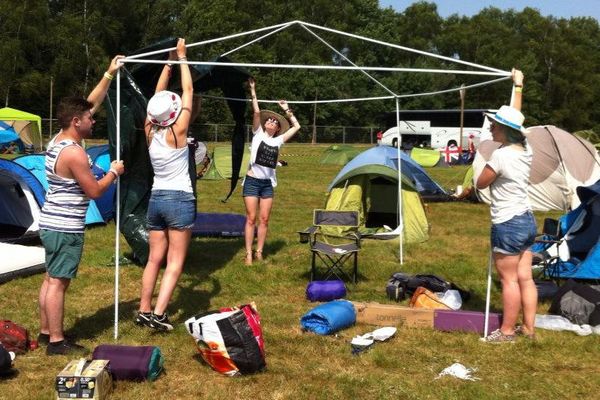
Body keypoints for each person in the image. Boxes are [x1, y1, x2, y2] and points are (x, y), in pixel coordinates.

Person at [38, 55, 126, 355]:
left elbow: (90, 103)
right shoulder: (74, 153)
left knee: (51, 278)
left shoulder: (59, 139)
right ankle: (57, 342)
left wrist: (108, 74)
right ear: (77, 122)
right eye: (90, 119)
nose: (94, 119)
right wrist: (114, 172)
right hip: (64, 227)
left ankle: (45, 332)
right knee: (59, 283)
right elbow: (95, 191)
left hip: (51, 222)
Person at [135, 38, 194, 332]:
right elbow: (189, 91)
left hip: (156, 199)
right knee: (174, 261)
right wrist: (183, 58)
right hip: (180, 199)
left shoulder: (150, 130)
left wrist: (169, 62)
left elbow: (155, 99)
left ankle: (144, 309)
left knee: (153, 259)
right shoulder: (178, 132)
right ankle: (159, 314)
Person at [476, 69, 537, 343]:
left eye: (494, 125)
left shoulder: (500, 157)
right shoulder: (526, 149)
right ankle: (530, 329)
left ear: (505, 130)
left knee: (509, 279)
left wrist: (486, 163)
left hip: (508, 223)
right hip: (526, 220)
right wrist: (519, 86)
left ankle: (507, 331)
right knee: (525, 277)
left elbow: (480, 183)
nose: (491, 127)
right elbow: (515, 115)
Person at [243, 77, 300, 265]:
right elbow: (257, 111)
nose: (272, 122)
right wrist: (253, 90)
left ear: (276, 129)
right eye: (270, 120)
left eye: (275, 122)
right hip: (252, 182)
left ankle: (259, 252)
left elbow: (297, 127)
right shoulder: (257, 134)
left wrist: (286, 109)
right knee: (251, 218)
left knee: (265, 219)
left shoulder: (277, 141)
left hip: (267, 184)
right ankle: (248, 254)